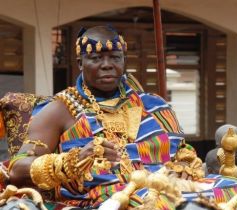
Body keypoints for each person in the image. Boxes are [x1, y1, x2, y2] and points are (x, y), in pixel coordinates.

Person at [7, 26, 186, 209]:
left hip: (164, 184)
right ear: (80, 63)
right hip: (105, 198)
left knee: (211, 192)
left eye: (115, 57)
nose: (107, 64)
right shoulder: (60, 109)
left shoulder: (152, 104)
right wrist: (74, 160)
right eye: (96, 58)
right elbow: (18, 169)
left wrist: (184, 166)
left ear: (124, 61)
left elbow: (182, 152)